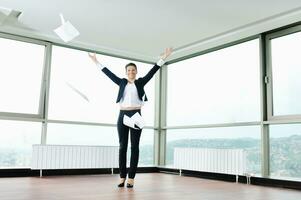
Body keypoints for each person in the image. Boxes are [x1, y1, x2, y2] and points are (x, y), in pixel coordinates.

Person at [88, 47, 173, 188]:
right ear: (126, 72)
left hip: (136, 115)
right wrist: (96, 61)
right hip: (122, 115)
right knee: (122, 147)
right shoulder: (121, 82)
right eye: (128, 70)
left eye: (133, 70)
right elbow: (108, 73)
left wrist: (164, 57)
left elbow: (153, 71)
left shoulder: (140, 82)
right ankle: (122, 176)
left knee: (135, 147)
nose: (131, 72)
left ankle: (131, 178)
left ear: (136, 72)